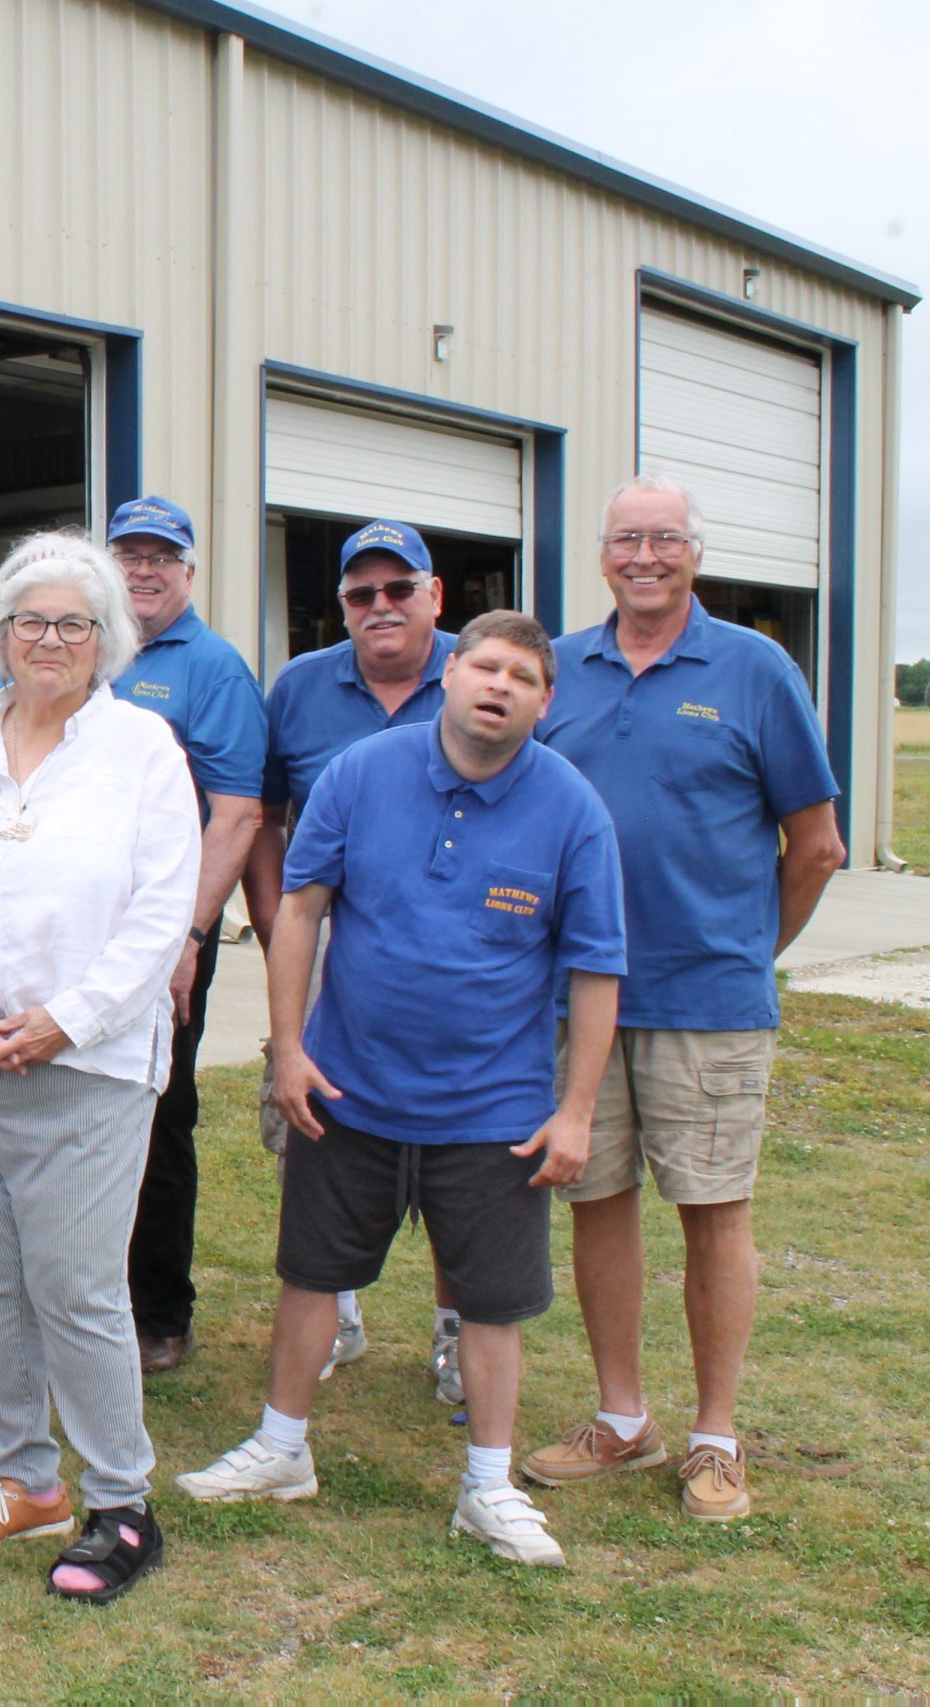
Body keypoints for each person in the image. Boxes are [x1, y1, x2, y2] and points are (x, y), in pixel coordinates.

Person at [176, 611, 626, 1570]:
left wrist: (575, 1109)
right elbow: (300, 910)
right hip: (349, 1089)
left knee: (492, 1302)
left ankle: (488, 1484)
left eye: (524, 679)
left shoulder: (573, 808)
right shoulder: (360, 773)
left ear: (545, 704)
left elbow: (595, 968)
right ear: (452, 673)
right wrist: (288, 1049)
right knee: (309, 1274)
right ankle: (280, 1447)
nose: (499, 686)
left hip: (494, 1111)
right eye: (486, 666)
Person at [0, 529, 197, 1603]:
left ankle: (121, 1501)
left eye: (71, 623)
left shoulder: (142, 752)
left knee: (76, 1283)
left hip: (87, 1065)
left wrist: (66, 1017)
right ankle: (25, 1480)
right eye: (28, 621)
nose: (47, 640)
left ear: (105, 640)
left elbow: (160, 918)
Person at [521, 477, 844, 1520]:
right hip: (580, 1001)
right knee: (598, 1201)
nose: (644, 555)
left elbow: (817, 844)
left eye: (664, 538)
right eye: (626, 539)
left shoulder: (753, 669)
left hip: (707, 999)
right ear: (602, 555)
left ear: (694, 554)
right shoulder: (560, 669)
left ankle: (713, 1437)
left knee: (712, 1208)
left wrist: (748, 948)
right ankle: (622, 1421)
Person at [243, 518, 462, 1398]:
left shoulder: (479, 669)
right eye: (360, 595)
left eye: (398, 589)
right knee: (314, 1128)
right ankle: (334, 1311)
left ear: (434, 596)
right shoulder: (299, 686)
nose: (380, 607)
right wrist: (273, 926)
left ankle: (455, 1328)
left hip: (455, 953)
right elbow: (263, 815)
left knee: (460, 1145)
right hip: (330, 943)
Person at [106, 497, 266, 1374]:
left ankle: (158, 1308)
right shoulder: (81, 643)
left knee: (158, 1117)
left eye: (160, 556)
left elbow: (237, 812)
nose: (143, 570)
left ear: (190, 572)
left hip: (163, 938)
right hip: (73, 928)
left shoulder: (211, 667)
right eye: (127, 554)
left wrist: (190, 935)